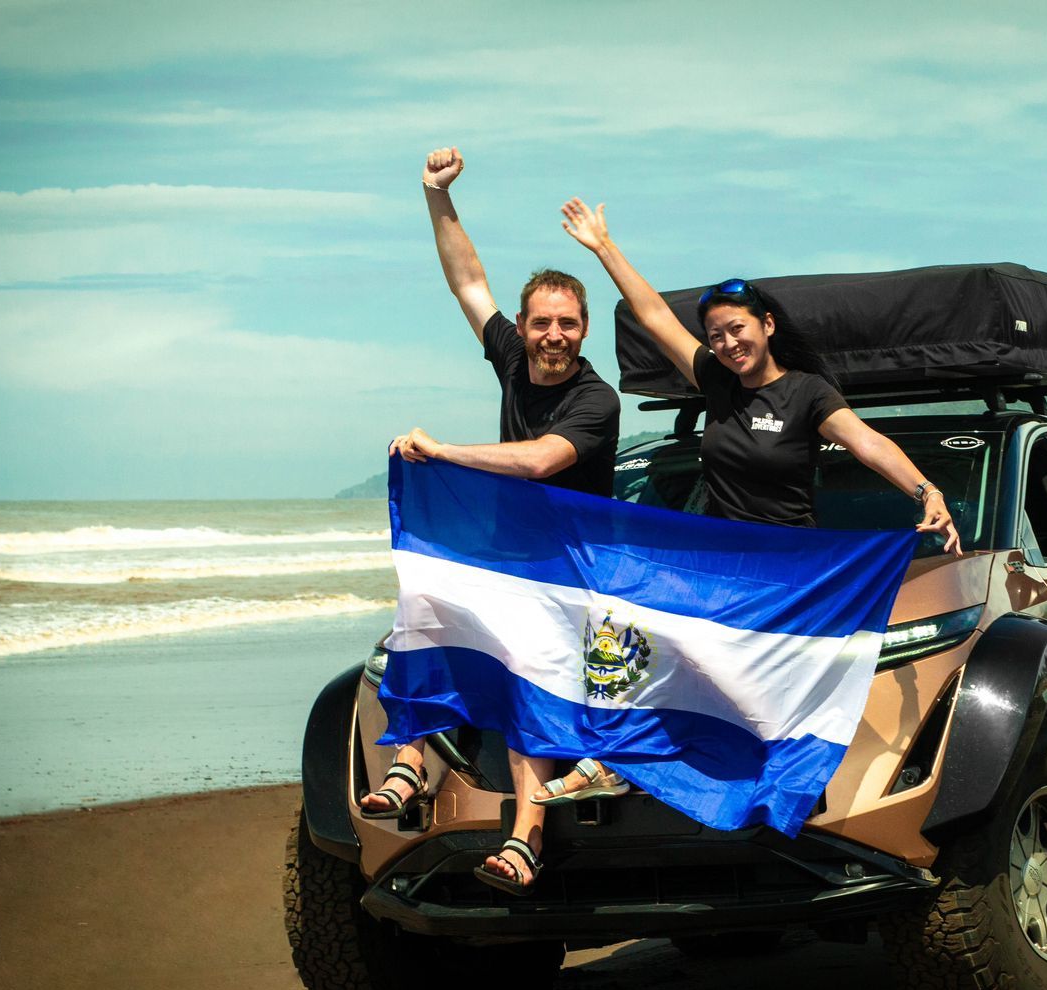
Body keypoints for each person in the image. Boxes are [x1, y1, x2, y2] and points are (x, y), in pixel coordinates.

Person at [362, 148, 625, 897]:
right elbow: (467, 279)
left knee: (522, 682)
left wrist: (443, 450)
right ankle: (410, 763)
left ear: (582, 331)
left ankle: (526, 837)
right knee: (422, 605)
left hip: (571, 573)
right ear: (523, 325)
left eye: (567, 325)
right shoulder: (512, 357)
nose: (552, 336)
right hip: (511, 559)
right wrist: (435, 195)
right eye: (540, 322)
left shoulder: (595, 401)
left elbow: (541, 461)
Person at [560, 197, 962, 550]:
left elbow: (867, 444)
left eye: (737, 329)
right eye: (716, 336)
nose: (728, 344)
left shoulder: (807, 392)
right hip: (723, 563)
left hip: (788, 565)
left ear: (767, 325)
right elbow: (654, 316)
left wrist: (927, 492)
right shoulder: (716, 379)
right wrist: (604, 247)